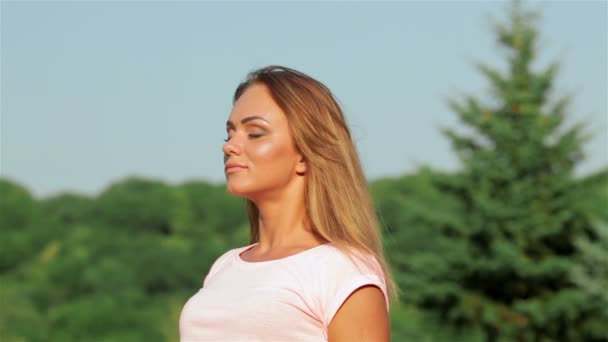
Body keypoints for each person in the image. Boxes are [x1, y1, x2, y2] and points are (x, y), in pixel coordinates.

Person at [179, 65, 397, 341]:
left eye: (255, 133)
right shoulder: (224, 267)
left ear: (305, 154)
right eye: (230, 133)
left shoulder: (342, 271)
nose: (229, 146)